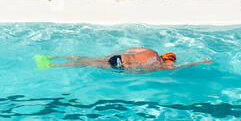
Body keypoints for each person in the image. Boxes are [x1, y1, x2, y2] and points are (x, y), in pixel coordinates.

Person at [36, 47, 212, 72]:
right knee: (87, 63)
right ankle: (50, 65)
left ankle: (52, 57)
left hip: (118, 56)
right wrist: (202, 62)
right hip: (121, 65)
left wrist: (113, 54)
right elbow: (183, 66)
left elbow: (131, 48)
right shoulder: (161, 65)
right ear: (168, 60)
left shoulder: (151, 51)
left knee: (89, 58)